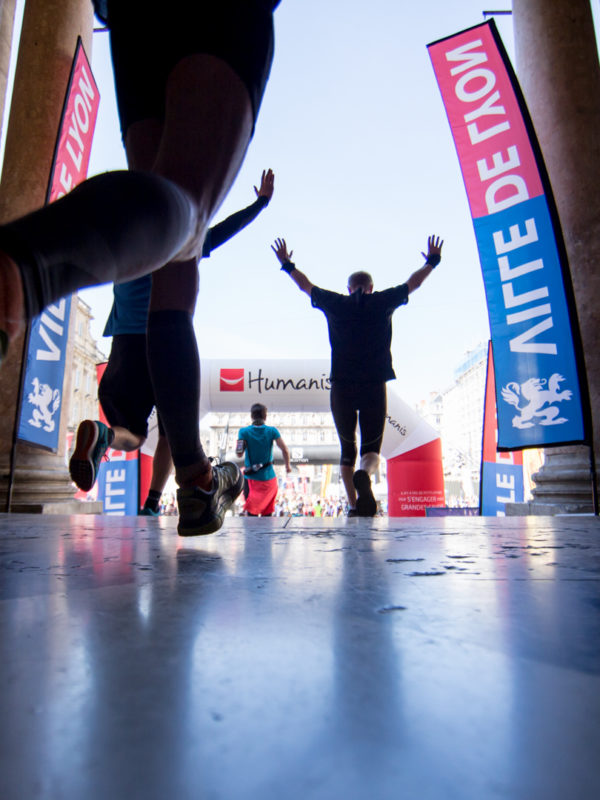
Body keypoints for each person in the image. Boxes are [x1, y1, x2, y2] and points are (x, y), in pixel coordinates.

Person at [0, 1, 280, 535]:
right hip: (157, 340)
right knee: (188, 219)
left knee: (173, 216)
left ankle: (189, 478)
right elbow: (206, 233)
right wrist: (257, 209)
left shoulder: (130, 253)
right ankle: (24, 265)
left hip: (133, 17)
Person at [69, 169, 275, 516]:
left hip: (124, 345)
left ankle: (102, 434)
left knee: (131, 432)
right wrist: (259, 204)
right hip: (165, 340)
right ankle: (153, 504)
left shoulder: (121, 243)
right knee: (170, 431)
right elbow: (222, 232)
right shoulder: (175, 237)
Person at [271, 234, 443, 517]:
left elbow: (306, 286)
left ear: (348, 288)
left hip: (341, 386)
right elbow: (414, 284)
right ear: (371, 287)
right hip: (374, 384)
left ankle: (353, 506)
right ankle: (366, 472)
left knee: (346, 448)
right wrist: (432, 262)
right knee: (371, 448)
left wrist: (287, 264)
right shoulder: (382, 302)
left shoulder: (336, 303)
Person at [236, 403, 291, 516]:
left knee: (252, 516)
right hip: (269, 479)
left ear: (252, 416)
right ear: (265, 416)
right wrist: (287, 466)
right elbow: (285, 450)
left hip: (251, 479)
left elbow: (239, 454)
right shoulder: (272, 431)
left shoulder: (243, 432)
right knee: (267, 517)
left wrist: (245, 443)